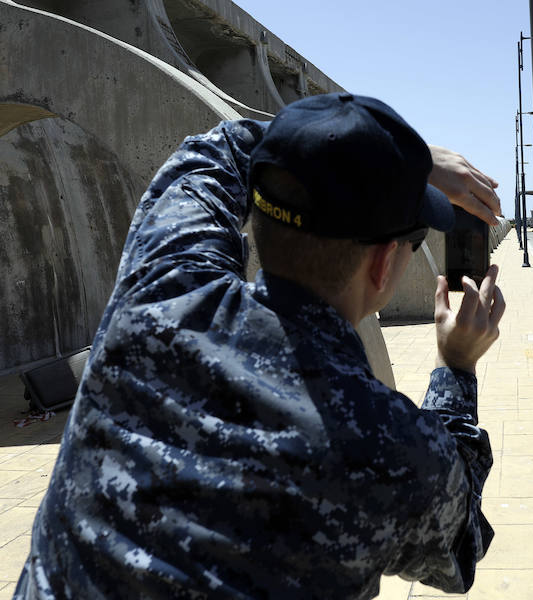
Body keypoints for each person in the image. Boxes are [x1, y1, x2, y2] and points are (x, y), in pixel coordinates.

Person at [15, 92, 505, 599]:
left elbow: (213, 151)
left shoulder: (163, 289)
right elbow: (458, 545)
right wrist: (456, 365)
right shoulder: (388, 447)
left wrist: (407, 160)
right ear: (382, 265)